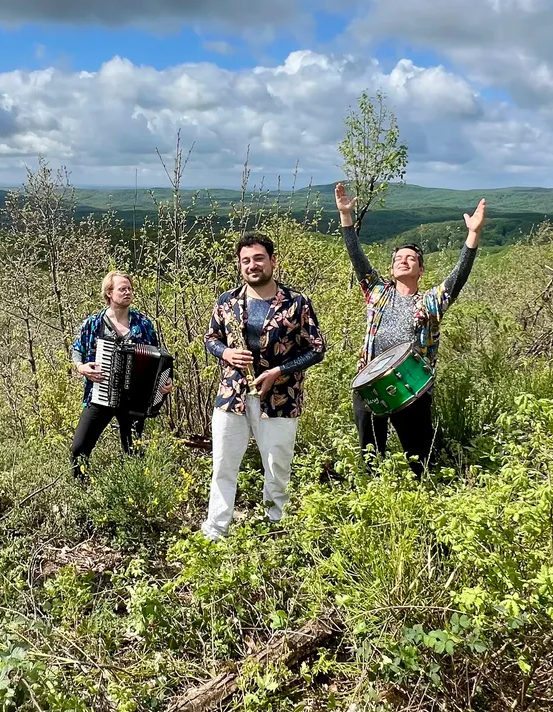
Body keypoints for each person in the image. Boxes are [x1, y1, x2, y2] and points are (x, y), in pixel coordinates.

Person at [335, 183, 485, 476]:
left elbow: (457, 278)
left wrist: (473, 235)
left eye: (411, 258)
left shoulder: (430, 302)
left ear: (421, 269)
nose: (403, 261)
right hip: (370, 383)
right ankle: (374, 495)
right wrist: (345, 216)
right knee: (370, 455)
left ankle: (423, 498)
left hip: (412, 389)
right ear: (391, 270)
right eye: (398, 259)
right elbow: (357, 257)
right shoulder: (377, 292)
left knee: (419, 458)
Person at [201, 233, 326, 541]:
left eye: (258, 258)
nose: (252, 265)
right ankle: (215, 532)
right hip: (233, 395)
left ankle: (275, 528)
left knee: (277, 468)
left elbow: (317, 349)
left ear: (272, 261)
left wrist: (279, 371)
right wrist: (227, 353)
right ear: (240, 265)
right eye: (246, 261)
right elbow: (211, 339)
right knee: (223, 466)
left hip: (281, 397)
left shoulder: (297, 302)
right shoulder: (228, 301)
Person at [70, 272, 170, 477]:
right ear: (109, 293)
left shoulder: (143, 324)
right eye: (122, 289)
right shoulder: (93, 323)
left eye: (129, 289)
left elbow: (159, 360)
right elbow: (76, 351)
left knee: (133, 452)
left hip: (135, 401)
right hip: (99, 394)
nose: (128, 292)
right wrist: (81, 368)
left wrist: (164, 383)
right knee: (79, 449)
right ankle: (82, 493)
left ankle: (133, 498)